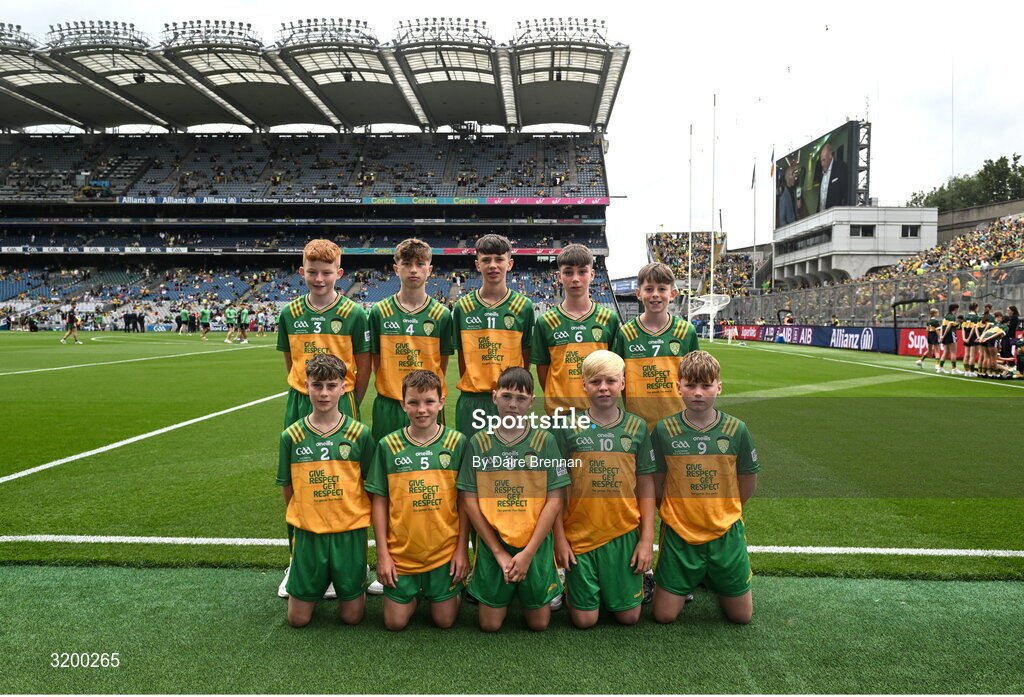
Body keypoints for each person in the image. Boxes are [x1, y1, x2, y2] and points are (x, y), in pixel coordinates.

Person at [276, 238, 372, 599]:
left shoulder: (355, 314)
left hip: (343, 401)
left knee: (348, 481)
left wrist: (348, 401)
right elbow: (291, 365)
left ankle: (354, 562)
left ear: (339, 274)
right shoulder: (289, 313)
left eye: (326, 272)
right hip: (301, 401)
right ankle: (296, 560)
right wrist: (308, 394)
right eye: (312, 272)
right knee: (302, 482)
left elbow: (363, 368)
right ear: (302, 272)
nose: (319, 278)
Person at [650, 351, 761, 625]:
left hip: (725, 532)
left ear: (719, 387)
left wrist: (726, 509)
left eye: (706, 385)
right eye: (690, 385)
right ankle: (692, 577)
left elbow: (747, 480)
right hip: (679, 533)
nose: (698, 393)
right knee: (664, 616)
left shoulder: (736, 429)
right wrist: (674, 512)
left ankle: (711, 577)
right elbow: (657, 481)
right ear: (678, 387)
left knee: (741, 617)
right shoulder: (664, 430)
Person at [457, 367, 569, 632]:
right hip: (494, 543)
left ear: (532, 401)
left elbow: (555, 500)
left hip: (535, 545)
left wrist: (528, 553)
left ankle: (531, 582)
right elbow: (469, 500)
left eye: (521, 398)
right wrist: (498, 552)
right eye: (506, 396)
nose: (513, 404)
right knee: (489, 625)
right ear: (494, 397)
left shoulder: (545, 441)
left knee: (539, 624)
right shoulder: (478, 442)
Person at [552, 351, 654, 629]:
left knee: (629, 617)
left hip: (623, 533)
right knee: (584, 621)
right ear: (584, 385)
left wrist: (646, 540)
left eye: (611, 381)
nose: (604, 388)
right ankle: (569, 585)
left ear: (623, 383)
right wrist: (559, 539)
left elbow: (646, 484)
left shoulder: (637, 427)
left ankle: (635, 581)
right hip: (579, 534)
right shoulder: (567, 426)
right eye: (596, 381)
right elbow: (557, 487)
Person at [365, 370, 469, 631]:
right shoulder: (388, 445)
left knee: (444, 621)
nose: (421, 409)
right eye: (413, 402)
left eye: (429, 402)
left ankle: (443, 593)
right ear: (402, 404)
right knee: (394, 623)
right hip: (402, 555)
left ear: (441, 402)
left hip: (443, 552)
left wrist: (461, 550)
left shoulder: (457, 443)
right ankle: (417, 594)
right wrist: (382, 554)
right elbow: (379, 501)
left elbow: (465, 501)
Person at [275, 353, 373, 627]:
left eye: (331, 386)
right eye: (317, 385)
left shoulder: (360, 434)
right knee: (297, 620)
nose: (324, 393)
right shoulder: (291, 436)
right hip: (309, 534)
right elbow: (287, 487)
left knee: (352, 618)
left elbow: (369, 483)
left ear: (344, 387)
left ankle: (352, 575)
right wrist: (304, 516)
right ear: (306, 386)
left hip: (349, 532)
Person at [368, 238, 453, 442]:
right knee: (387, 465)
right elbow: (376, 360)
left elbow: (441, 361)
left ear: (429, 269)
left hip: (427, 405)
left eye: (420, 264)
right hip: (389, 403)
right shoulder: (380, 312)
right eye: (407, 264)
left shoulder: (441, 314)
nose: (413, 270)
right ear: (396, 269)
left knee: (430, 467)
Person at [452, 234, 534, 436]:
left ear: (510, 263)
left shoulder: (523, 306)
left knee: (508, 463)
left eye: (499, 259)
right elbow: (462, 357)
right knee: (472, 462)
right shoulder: (463, 307)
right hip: (472, 400)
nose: (493, 265)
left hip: (510, 400)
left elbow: (526, 355)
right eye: (486, 260)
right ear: (477, 265)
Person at [531, 244, 619, 417]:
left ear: (592, 275)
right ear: (559, 276)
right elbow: (543, 370)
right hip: (560, 414)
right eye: (568, 272)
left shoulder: (609, 319)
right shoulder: (546, 321)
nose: (575, 278)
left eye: (582, 272)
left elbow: (615, 369)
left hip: (599, 412)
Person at [611, 262, 699, 430]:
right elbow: (616, 379)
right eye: (649, 289)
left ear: (673, 294)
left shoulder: (686, 331)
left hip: (678, 425)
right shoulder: (626, 334)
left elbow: (695, 379)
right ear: (638, 293)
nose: (655, 294)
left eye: (662, 289)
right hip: (637, 426)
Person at [817, 142, 849, 211]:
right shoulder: (820, 171)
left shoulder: (841, 168)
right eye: (821, 161)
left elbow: (846, 196)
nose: (822, 164)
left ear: (830, 155)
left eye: (824, 160)